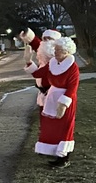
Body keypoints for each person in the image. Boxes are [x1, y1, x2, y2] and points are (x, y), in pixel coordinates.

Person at [25, 35, 79, 168]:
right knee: (52, 127)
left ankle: (64, 157)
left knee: (65, 127)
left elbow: (72, 88)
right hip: (51, 98)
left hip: (64, 101)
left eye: (59, 50)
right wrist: (28, 61)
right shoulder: (52, 63)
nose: (55, 52)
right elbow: (38, 74)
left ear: (67, 52)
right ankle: (53, 152)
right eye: (56, 49)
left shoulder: (73, 68)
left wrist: (63, 104)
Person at [18, 28, 61, 105]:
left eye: (49, 38)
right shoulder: (44, 51)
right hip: (43, 94)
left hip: (53, 94)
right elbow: (38, 44)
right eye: (44, 39)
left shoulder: (57, 59)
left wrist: (29, 62)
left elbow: (37, 73)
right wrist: (27, 35)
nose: (46, 41)